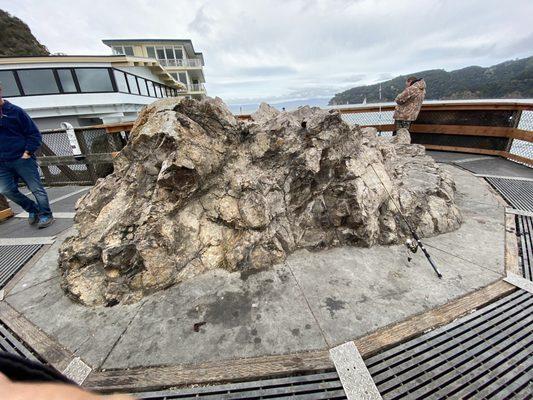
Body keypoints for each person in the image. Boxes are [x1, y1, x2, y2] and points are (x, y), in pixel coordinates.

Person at [0, 83, 54, 228]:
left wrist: (27, 152)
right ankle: (33, 209)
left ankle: (46, 215)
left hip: (21, 158)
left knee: (36, 188)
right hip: (2, 162)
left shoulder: (15, 111)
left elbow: (34, 134)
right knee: (6, 190)